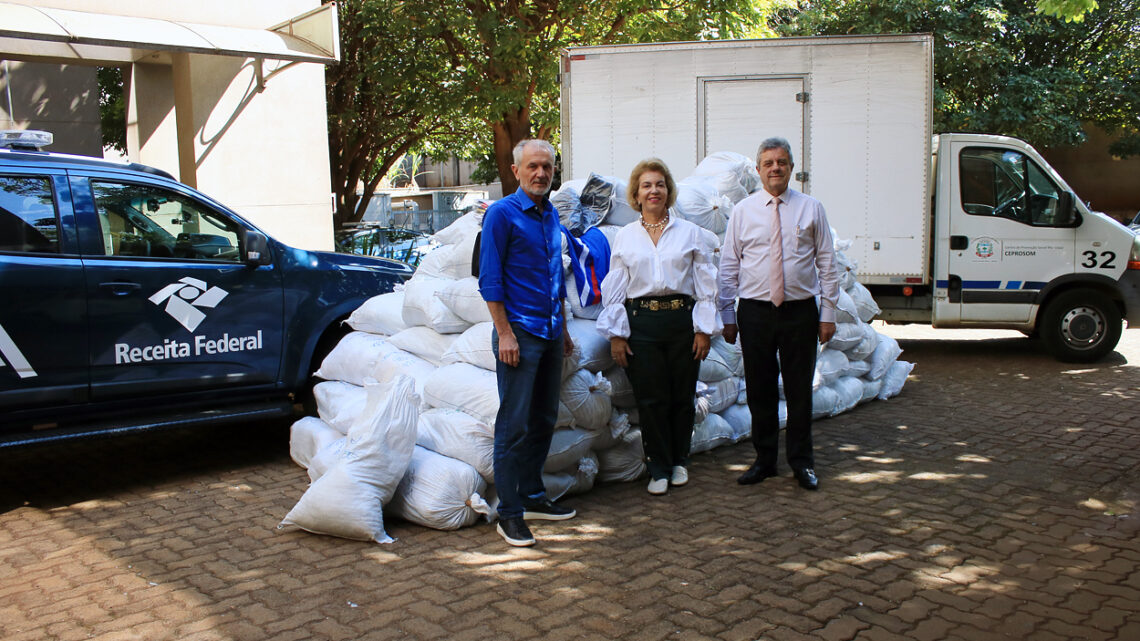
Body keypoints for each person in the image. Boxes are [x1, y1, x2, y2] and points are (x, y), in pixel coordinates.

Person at [717, 137, 839, 491]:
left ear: (791, 168)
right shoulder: (743, 211)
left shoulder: (811, 208)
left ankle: (802, 463)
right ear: (758, 170)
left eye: (782, 162)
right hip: (754, 312)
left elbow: (827, 264)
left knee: (800, 389)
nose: (775, 168)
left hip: (800, 311)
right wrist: (727, 314)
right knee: (760, 389)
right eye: (768, 163)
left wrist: (828, 313)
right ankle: (765, 460)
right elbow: (728, 265)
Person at [597, 158, 721, 495]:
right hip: (643, 322)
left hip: (682, 320)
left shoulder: (690, 233)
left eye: (660, 185)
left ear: (669, 192)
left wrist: (703, 329)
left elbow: (705, 283)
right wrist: (618, 336)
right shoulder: (625, 237)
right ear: (636, 194)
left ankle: (679, 460)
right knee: (651, 398)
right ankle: (658, 467)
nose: (654, 191)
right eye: (647, 185)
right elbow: (616, 289)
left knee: (682, 395)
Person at [479, 139, 576, 547]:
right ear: (516, 170)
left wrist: (566, 330)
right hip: (518, 334)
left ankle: (534, 496)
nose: (541, 174)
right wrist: (504, 333)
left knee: (542, 420)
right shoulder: (502, 215)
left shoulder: (551, 214)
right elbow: (490, 279)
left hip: (552, 334)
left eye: (547, 168)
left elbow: (555, 278)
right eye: (533, 166)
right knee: (513, 426)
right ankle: (510, 513)